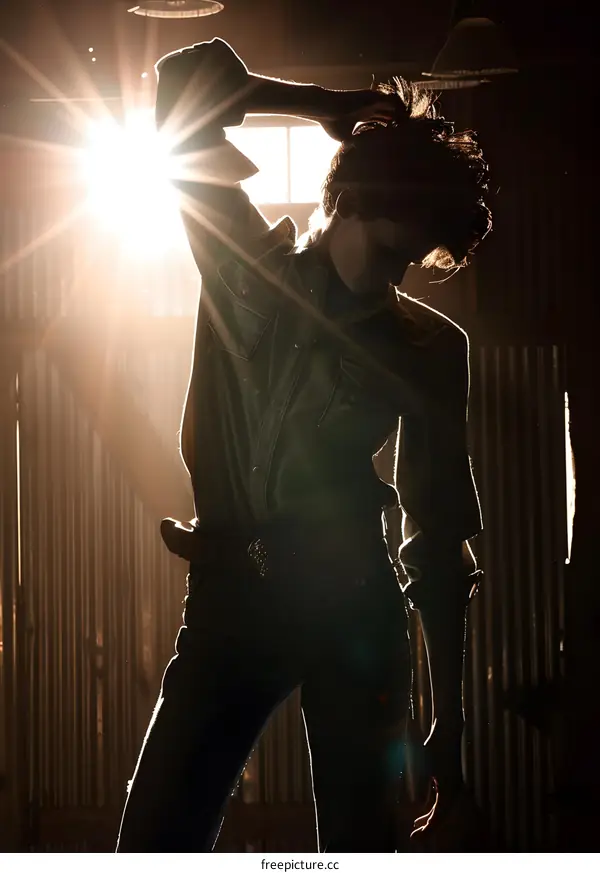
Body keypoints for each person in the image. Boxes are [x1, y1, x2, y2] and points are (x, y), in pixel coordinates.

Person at [116, 38, 491, 852]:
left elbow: (437, 540)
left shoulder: (429, 347)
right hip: (227, 599)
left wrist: (450, 730)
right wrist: (320, 104)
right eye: (389, 249)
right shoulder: (242, 266)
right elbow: (185, 84)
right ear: (348, 200)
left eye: (409, 264)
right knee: (151, 845)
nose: (390, 278)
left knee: (360, 852)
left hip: (351, 604)